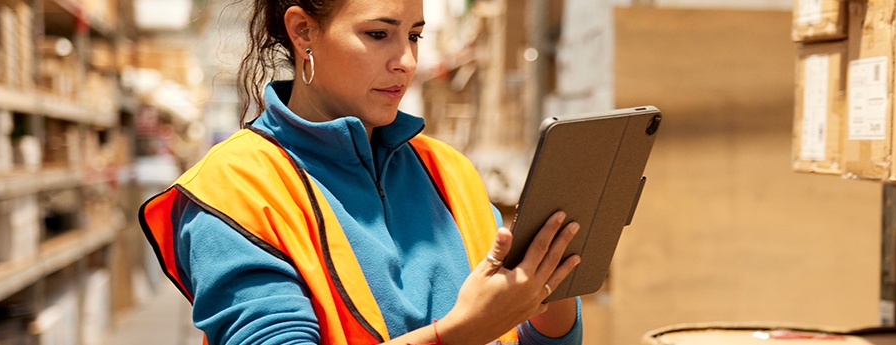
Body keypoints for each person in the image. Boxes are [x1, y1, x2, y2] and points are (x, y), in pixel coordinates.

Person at [138, 0, 584, 344]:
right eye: (378, 34)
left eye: (414, 35)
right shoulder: (235, 188)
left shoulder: (448, 170)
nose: (406, 61)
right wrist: (460, 333)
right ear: (303, 31)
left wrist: (550, 281)